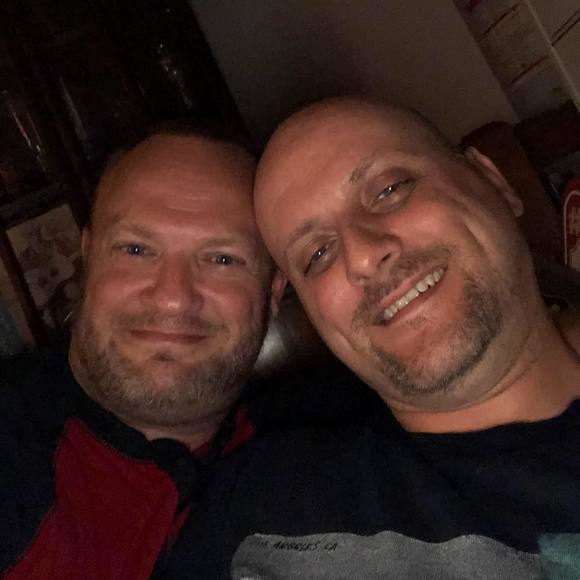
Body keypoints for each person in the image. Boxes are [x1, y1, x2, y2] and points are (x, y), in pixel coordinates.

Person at [213, 98, 580, 579]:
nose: (363, 257)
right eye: (317, 254)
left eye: (389, 189)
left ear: (493, 181)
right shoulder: (264, 508)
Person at [0, 125, 285, 579]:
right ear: (87, 258)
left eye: (223, 259)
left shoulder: (331, 444)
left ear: (272, 292)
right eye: (135, 249)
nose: (172, 298)